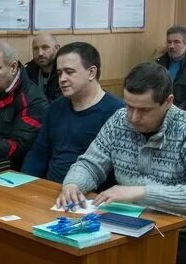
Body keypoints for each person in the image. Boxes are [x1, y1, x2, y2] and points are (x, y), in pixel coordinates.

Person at [57, 62, 186, 264]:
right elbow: (90, 163)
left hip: (184, 233)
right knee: (78, 254)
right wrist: (73, 184)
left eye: (144, 110)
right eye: (129, 106)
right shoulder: (120, 119)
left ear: (168, 102)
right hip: (129, 223)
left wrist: (141, 192)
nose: (133, 117)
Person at [21, 42, 123, 182]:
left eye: (69, 72)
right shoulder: (55, 108)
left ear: (91, 73)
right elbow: (38, 155)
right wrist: (23, 185)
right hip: (50, 190)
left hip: (91, 197)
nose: (62, 79)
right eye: (59, 73)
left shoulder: (116, 112)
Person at [24, 32, 62, 101]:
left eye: (45, 47)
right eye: (36, 49)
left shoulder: (64, 73)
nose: (40, 53)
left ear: (57, 48)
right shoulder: (27, 73)